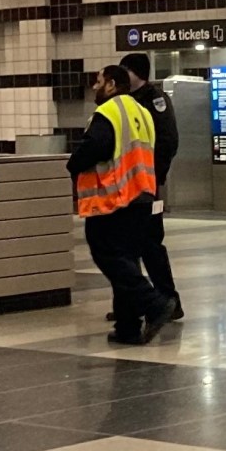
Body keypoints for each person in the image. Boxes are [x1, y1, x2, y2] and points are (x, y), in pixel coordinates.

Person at [67, 65, 177, 346]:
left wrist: (74, 162)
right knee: (127, 260)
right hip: (141, 195)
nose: (95, 87)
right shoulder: (141, 111)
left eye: (99, 81)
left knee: (108, 256)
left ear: (113, 85)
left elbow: (97, 146)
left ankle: (154, 303)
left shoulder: (109, 112)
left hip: (114, 198)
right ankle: (128, 327)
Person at [120, 52, 183, 321]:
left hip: (148, 186)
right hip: (127, 187)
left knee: (151, 244)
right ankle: (132, 303)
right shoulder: (125, 101)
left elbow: (168, 141)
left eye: (126, 70)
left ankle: (169, 299)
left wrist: (157, 178)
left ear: (136, 73)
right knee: (127, 246)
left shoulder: (155, 99)